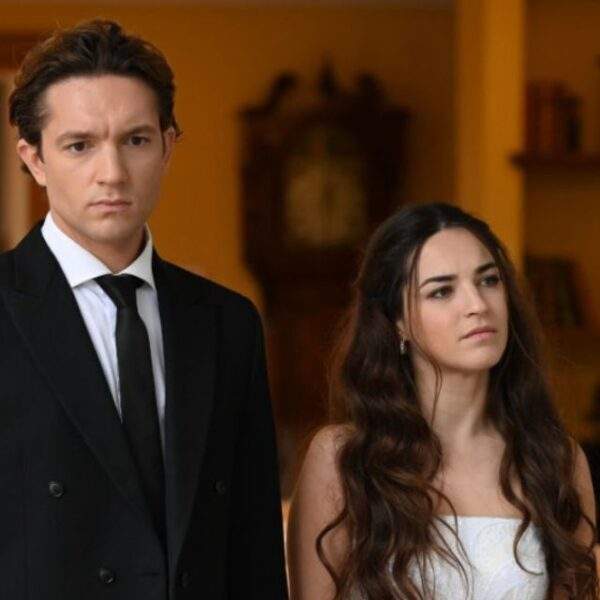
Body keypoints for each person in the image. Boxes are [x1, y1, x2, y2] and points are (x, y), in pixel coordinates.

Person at [2, 19, 287, 600]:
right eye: (79, 145)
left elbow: (253, 544)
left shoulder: (228, 323)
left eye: (135, 140)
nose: (112, 173)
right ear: (33, 159)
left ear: (167, 146)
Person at [287, 202, 598, 599]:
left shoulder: (556, 461)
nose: (478, 305)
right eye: (442, 291)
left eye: (489, 280)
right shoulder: (343, 459)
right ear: (398, 322)